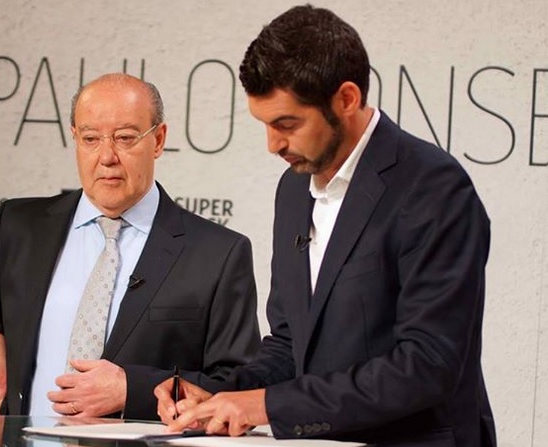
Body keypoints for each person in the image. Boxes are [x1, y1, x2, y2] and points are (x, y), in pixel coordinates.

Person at [155, 5, 496, 446]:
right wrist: (223, 395)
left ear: (347, 99)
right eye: (265, 124)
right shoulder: (293, 188)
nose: (273, 144)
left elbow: (427, 364)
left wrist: (266, 406)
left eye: (287, 124)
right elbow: (290, 345)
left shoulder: (435, 188)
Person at [0, 73, 261, 420]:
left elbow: (237, 385)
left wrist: (132, 390)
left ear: (158, 140)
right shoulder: (21, 225)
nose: (107, 157)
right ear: (75, 138)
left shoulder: (218, 254)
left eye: (125, 138)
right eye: (91, 139)